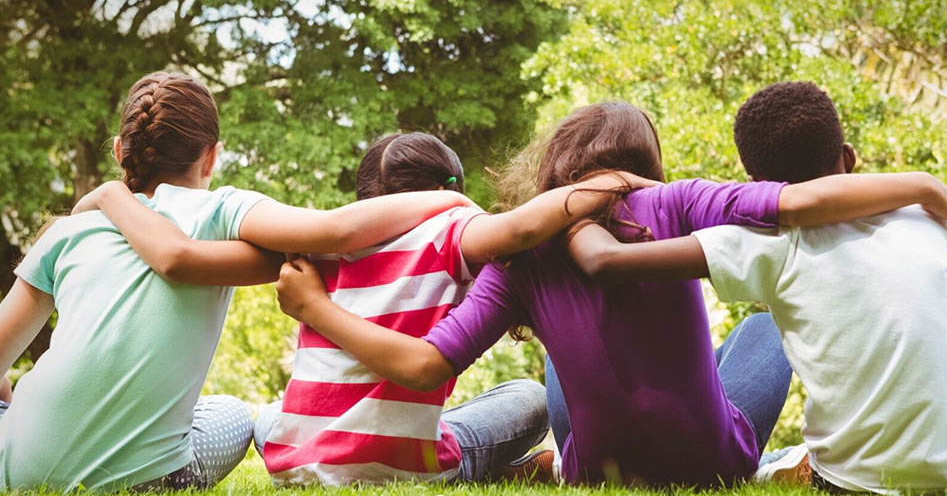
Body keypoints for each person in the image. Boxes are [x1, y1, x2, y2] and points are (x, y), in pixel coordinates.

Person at [270, 100, 947, 487]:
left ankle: (555, 458)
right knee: (762, 326)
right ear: (645, 164)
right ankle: (784, 456)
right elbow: (806, 201)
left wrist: (317, 310)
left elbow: (425, 365)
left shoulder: (519, 259)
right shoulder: (677, 202)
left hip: (597, 473)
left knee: (554, 359)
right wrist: (926, 186)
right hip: (709, 465)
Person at [83, 129, 653, 485]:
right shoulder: (454, 230)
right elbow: (526, 226)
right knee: (527, 399)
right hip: (396, 461)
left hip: (298, 463)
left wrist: (111, 200)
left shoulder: (313, 239)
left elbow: (185, 257)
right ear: (438, 189)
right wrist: (619, 180)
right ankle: (510, 467)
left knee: (261, 416)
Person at [0, 71, 477, 492]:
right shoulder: (218, 209)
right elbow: (338, 230)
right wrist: (449, 201)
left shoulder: (67, 232)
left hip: (15, 469)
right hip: (144, 480)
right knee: (229, 412)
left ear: (121, 151)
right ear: (211, 158)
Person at [564, 83, 947, 493]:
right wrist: (924, 185)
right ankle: (777, 462)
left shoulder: (766, 242)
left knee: (759, 328)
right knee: (762, 333)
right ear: (848, 157)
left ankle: (777, 463)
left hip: (851, 483)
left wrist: (588, 200)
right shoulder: (926, 219)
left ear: (754, 186)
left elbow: (607, 261)